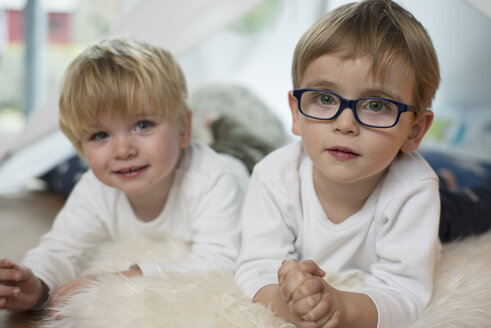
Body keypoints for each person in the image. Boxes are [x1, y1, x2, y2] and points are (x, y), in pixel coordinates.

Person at [0, 38, 248, 312]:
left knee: (246, 142)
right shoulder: (95, 189)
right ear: (79, 147)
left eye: (142, 125)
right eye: (100, 135)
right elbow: (60, 248)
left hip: (241, 162)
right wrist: (37, 284)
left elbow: (223, 258)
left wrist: (125, 277)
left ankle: (222, 122)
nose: (123, 150)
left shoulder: (213, 179)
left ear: (184, 127)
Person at [235, 1, 441, 327]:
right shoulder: (274, 175)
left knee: (466, 208)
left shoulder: (414, 189)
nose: (345, 124)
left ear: (414, 131)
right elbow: (255, 266)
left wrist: (340, 305)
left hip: (439, 202)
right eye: (325, 99)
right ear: (296, 113)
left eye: (375, 104)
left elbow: (404, 294)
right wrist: (286, 302)